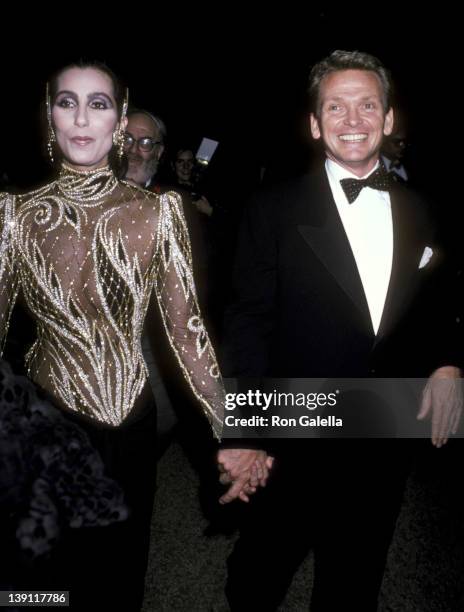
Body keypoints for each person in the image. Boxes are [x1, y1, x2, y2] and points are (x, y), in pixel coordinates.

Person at [217, 50, 462, 611]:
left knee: (356, 575)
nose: (353, 120)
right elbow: (247, 320)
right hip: (299, 420)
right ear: (314, 123)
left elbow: (440, 297)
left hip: (384, 425)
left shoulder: (423, 208)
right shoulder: (271, 207)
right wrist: (247, 429)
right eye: (336, 107)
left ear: (389, 118)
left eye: (367, 105)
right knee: (263, 568)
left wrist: (448, 360)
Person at [0, 61, 224, 611]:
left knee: (119, 575)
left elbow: (186, 329)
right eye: (66, 101)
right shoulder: (14, 216)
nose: (81, 117)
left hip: (130, 423)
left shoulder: (159, 212)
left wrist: (231, 427)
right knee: (43, 581)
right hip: (46, 420)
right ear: (48, 114)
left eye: (97, 103)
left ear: (119, 118)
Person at [124, 108, 166, 189]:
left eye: (146, 143)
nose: (133, 150)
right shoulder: (96, 187)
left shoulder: (165, 198)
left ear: (159, 152)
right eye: (126, 139)